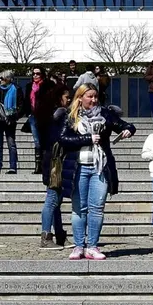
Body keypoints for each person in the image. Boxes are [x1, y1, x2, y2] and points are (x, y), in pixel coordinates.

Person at [56, 84, 135, 260]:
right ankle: (78, 246)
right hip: (79, 167)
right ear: (80, 98)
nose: (93, 100)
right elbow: (62, 139)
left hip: (100, 167)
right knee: (79, 208)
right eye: (90, 96)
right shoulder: (71, 116)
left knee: (97, 208)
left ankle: (92, 246)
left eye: (95, 96)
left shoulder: (104, 113)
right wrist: (87, 139)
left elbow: (124, 124)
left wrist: (128, 130)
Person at [38, 83, 72, 248]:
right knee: (52, 199)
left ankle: (59, 234)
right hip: (55, 162)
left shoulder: (50, 115)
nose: (69, 100)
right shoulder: (59, 116)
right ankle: (46, 236)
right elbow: (58, 140)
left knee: (56, 200)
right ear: (59, 98)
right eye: (67, 97)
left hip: (50, 160)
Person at [0, 68, 21, 175]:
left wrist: (15, 116)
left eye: (2, 78)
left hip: (10, 120)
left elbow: (21, 105)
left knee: (11, 144)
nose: (0, 80)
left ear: (8, 79)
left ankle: (13, 166)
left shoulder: (16, 89)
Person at [26, 67, 45, 150]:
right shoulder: (29, 86)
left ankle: (44, 160)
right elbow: (26, 100)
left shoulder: (46, 86)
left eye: (38, 74)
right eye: (33, 74)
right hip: (33, 116)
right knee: (36, 140)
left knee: (43, 140)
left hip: (43, 116)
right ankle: (39, 161)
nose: (35, 75)